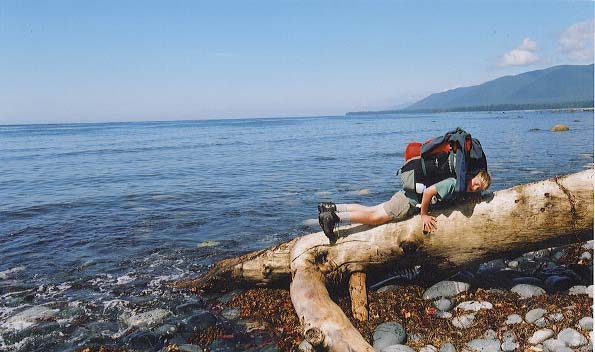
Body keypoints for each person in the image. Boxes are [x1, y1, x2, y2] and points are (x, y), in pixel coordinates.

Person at [318, 169, 491, 244]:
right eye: (476, 183)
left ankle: (331, 207)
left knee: (370, 210)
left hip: (405, 195)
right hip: (407, 202)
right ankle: (334, 218)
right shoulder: (453, 183)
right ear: (472, 175)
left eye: (479, 188)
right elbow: (429, 192)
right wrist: (423, 214)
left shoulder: (461, 185)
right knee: (373, 218)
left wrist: (475, 196)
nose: (475, 187)